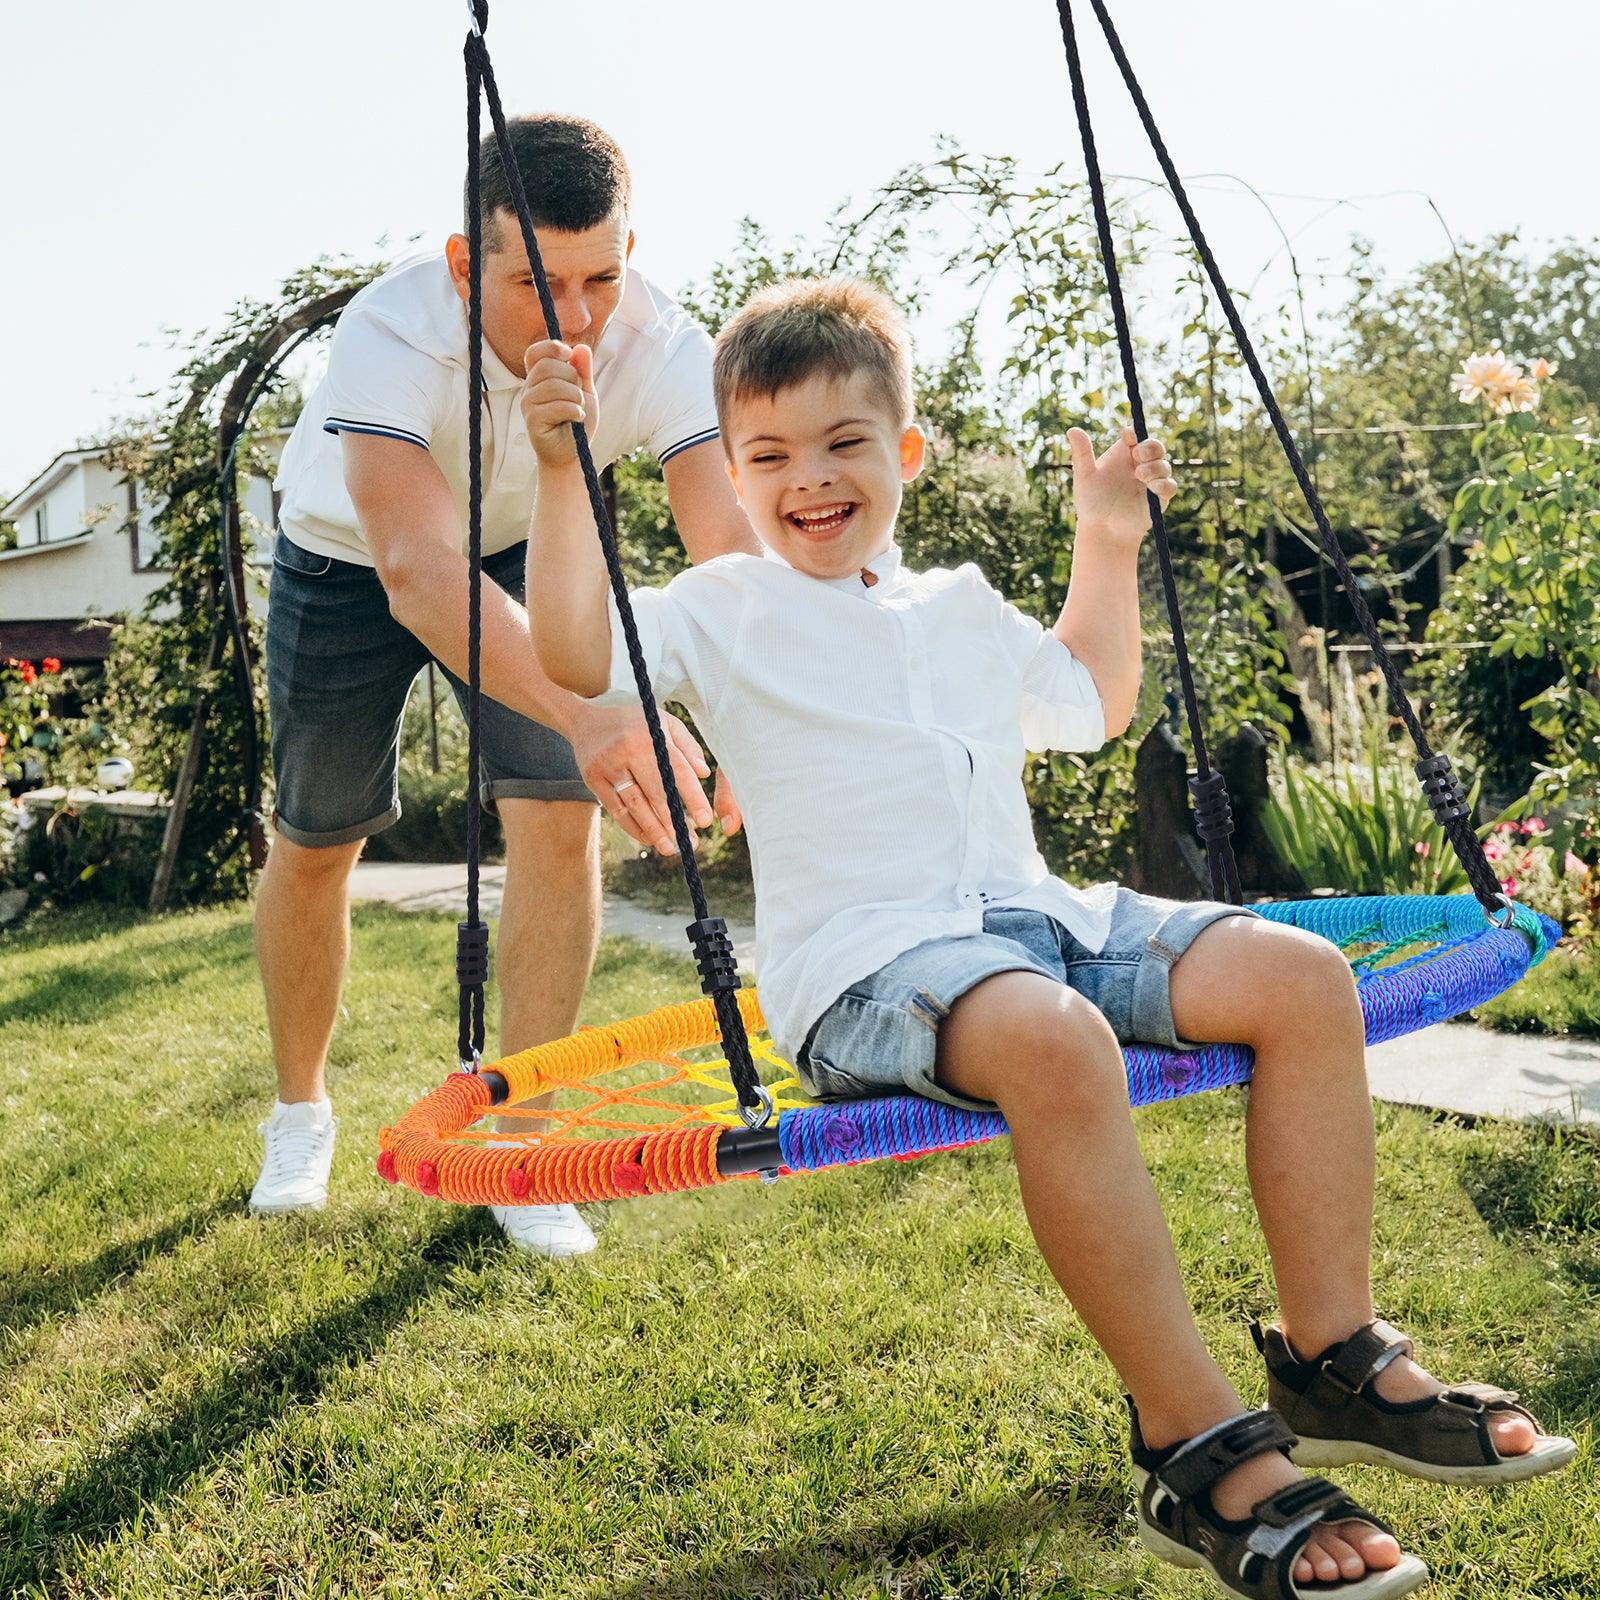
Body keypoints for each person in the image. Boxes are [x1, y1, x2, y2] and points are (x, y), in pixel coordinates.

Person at [523, 276, 1574, 1594]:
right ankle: (1190, 1438)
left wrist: (1108, 541)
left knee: (1302, 977)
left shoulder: (956, 605)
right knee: (1057, 1038)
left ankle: (1332, 1356)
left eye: (845, 444)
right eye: (770, 456)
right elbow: (572, 652)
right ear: (732, 477)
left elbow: (1088, 699)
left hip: (1039, 923)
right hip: (869, 968)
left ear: (903, 454)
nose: (810, 480)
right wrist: (564, 475)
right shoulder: (715, 608)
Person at [250, 114, 757, 1255]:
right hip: (350, 554)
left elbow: (728, 543)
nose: (576, 321)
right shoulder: (389, 333)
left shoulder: (664, 342)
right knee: (319, 835)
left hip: (529, 541)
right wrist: (597, 712)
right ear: (460, 265)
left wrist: (766, 703)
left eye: (601, 279)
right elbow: (419, 572)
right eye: (536, 285)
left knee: (555, 812)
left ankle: (521, 1139)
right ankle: (301, 1110)